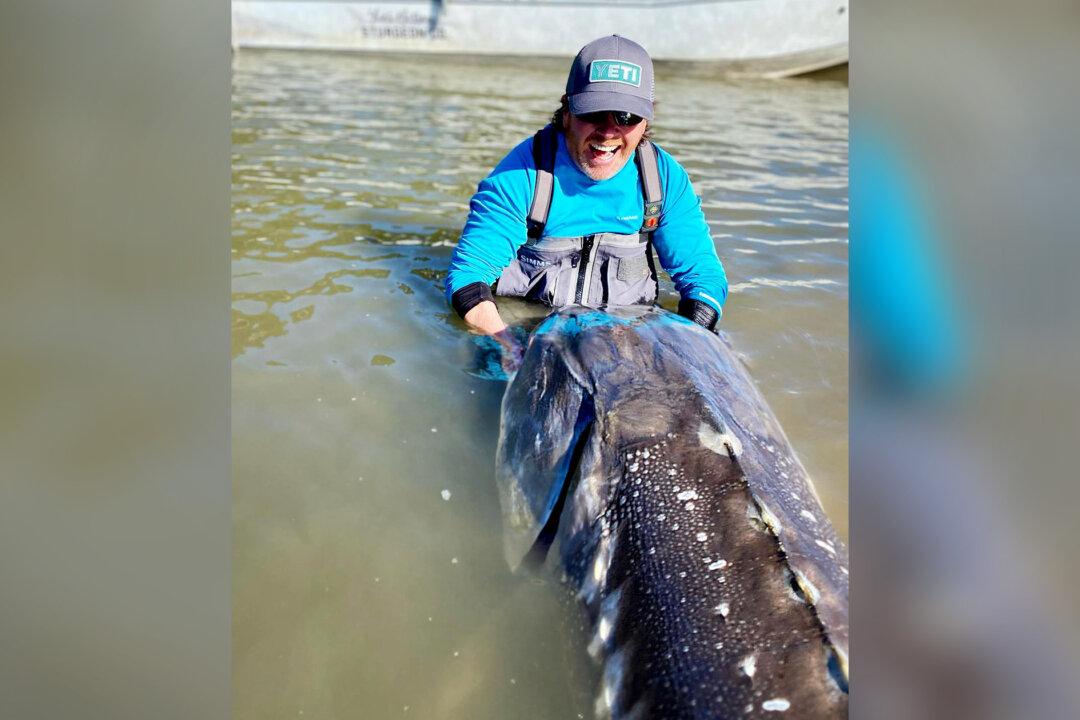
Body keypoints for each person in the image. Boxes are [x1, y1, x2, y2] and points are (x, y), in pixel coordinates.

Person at [446, 34, 728, 344]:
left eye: (626, 116)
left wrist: (689, 343)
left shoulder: (665, 180)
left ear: (646, 121)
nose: (608, 132)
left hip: (624, 335)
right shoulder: (520, 175)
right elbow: (468, 278)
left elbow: (704, 279)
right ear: (567, 112)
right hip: (528, 332)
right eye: (593, 113)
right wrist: (509, 350)